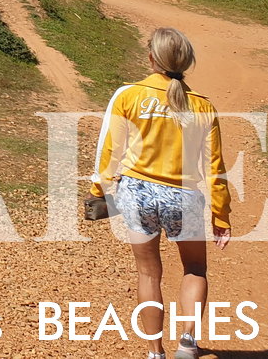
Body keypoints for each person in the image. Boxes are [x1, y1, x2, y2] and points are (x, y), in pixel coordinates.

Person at [91, 28, 231, 359]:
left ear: (151, 58)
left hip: (138, 194)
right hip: (182, 197)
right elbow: (215, 168)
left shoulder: (129, 96)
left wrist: (99, 192)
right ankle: (187, 343)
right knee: (195, 269)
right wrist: (221, 216)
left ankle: (155, 354)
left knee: (148, 273)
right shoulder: (202, 106)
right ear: (187, 62)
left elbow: (110, 153)